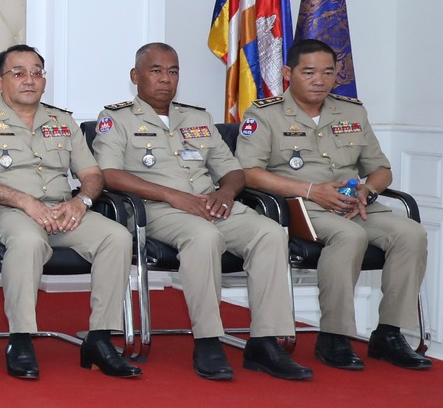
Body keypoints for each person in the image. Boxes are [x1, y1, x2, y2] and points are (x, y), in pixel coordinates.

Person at [94, 42, 306, 381]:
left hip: (211, 203)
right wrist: (173, 196)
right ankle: (208, 341)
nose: (165, 79)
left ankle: (265, 343)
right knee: (203, 236)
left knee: (269, 233)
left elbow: (232, 169)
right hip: (158, 208)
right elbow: (109, 174)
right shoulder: (115, 119)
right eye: (156, 71)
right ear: (135, 76)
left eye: (173, 71)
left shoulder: (198, 118)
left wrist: (226, 192)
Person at [236, 38, 430, 372]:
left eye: (328, 72)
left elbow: (382, 169)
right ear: (288, 73)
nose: (319, 80)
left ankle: (389, 333)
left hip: (355, 204)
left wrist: (368, 190)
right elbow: (248, 173)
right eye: (309, 72)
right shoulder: (264, 114)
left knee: (411, 233)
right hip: (298, 206)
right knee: (349, 236)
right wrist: (311, 190)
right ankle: (334, 336)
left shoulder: (352, 111)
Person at [0, 44, 138, 379]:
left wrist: (81, 202)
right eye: (18, 73)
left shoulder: (63, 121)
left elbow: (92, 174)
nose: (29, 79)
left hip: (64, 210)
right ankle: (21, 340)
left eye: (36, 72)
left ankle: (99, 339)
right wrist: (25, 201)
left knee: (115, 236)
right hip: (10, 211)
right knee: (28, 242)